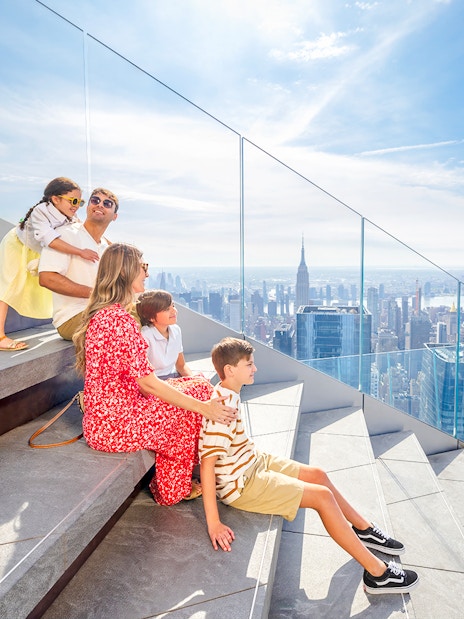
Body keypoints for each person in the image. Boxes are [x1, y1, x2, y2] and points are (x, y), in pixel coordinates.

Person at [199, 337, 419, 595]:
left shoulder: (229, 393)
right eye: (249, 364)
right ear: (230, 370)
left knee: (319, 475)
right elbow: (207, 463)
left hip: (254, 461)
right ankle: (378, 574)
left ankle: (364, 529)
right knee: (322, 497)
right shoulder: (222, 409)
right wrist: (213, 523)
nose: (255, 368)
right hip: (243, 484)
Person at [73, 243, 237, 506]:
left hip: (109, 418)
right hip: (117, 425)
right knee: (195, 403)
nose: (146, 273)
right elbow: (148, 383)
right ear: (126, 272)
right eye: (143, 266)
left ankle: (193, 473)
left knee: (197, 386)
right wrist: (205, 409)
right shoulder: (118, 320)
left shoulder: (105, 315)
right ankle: (175, 486)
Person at [0, 177, 99, 351]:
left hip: (36, 250)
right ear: (55, 199)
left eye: (80, 202)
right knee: (7, 288)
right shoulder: (41, 211)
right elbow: (51, 241)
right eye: (73, 200)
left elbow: (84, 232)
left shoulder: (71, 217)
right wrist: (81, 252)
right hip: (17, 245)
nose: (76, 206)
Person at [39, 187, 118, 340]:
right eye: (95, 200)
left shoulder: (105, 247)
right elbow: (47, 278)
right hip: (71, 317)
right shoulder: (65, 235)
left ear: (114, 216)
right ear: (88, 207)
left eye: (107, 203)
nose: (100, 205)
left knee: (150, 313)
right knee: (122, 323)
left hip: (102, 311)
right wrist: (97, 295)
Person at [136, 289, 192, 379]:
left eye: (173, 306)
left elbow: (181, 366)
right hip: (155, 382)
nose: (174, 311)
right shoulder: (145, 336)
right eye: (167, 309)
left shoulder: (176, 330)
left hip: (173, 378)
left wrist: (196, 380)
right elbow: (143, 376)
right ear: (150, 317)